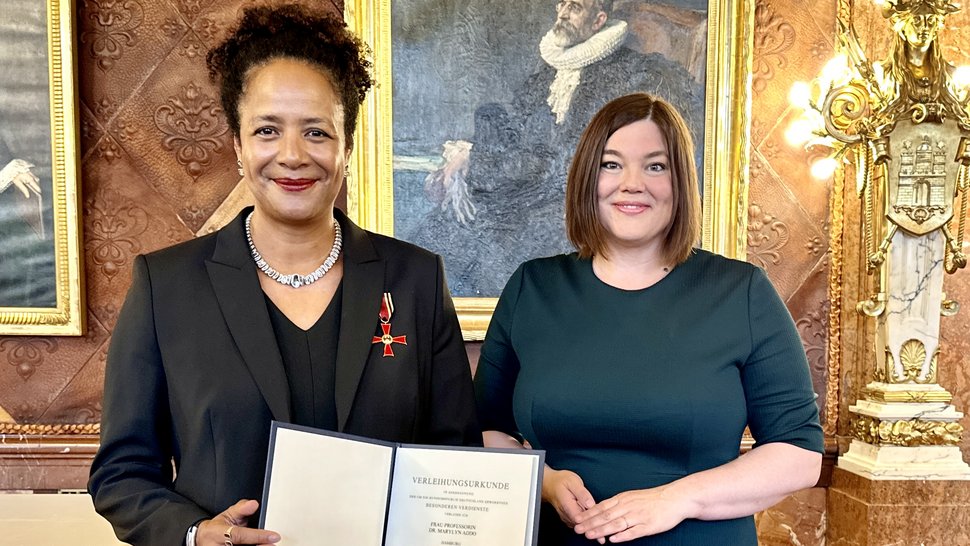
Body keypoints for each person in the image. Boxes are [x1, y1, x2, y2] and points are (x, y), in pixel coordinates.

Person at [88, 6, 480, 546]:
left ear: (347, 145)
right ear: (238, 143)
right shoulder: (166, 286)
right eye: (268, 130)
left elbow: (456, 457)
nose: (292, 156)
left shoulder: (415, 279)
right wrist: (198, 534)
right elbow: (122, 475)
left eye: (316, 132)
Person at [474, 93, 823, 545]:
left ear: (680, 183)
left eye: (656, 166)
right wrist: (544, 481)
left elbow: (799, 453)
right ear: (587, 178)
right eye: (611, 164)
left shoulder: (741, 292)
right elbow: (485, 431)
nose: (632, 183)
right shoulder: (532, 288)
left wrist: (677, 499)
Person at [411, 0, 704, 297]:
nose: (562, 12)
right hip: (526, 190)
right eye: (561, 4)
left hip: (566, 206)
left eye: (574, 7)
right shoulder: (547, 74)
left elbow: (561, 163)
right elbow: (518, 135)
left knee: (493, 249)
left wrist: (477, 162)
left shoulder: (627, 74)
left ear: (598, 20)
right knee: (431, 237)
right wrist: (469, 156)